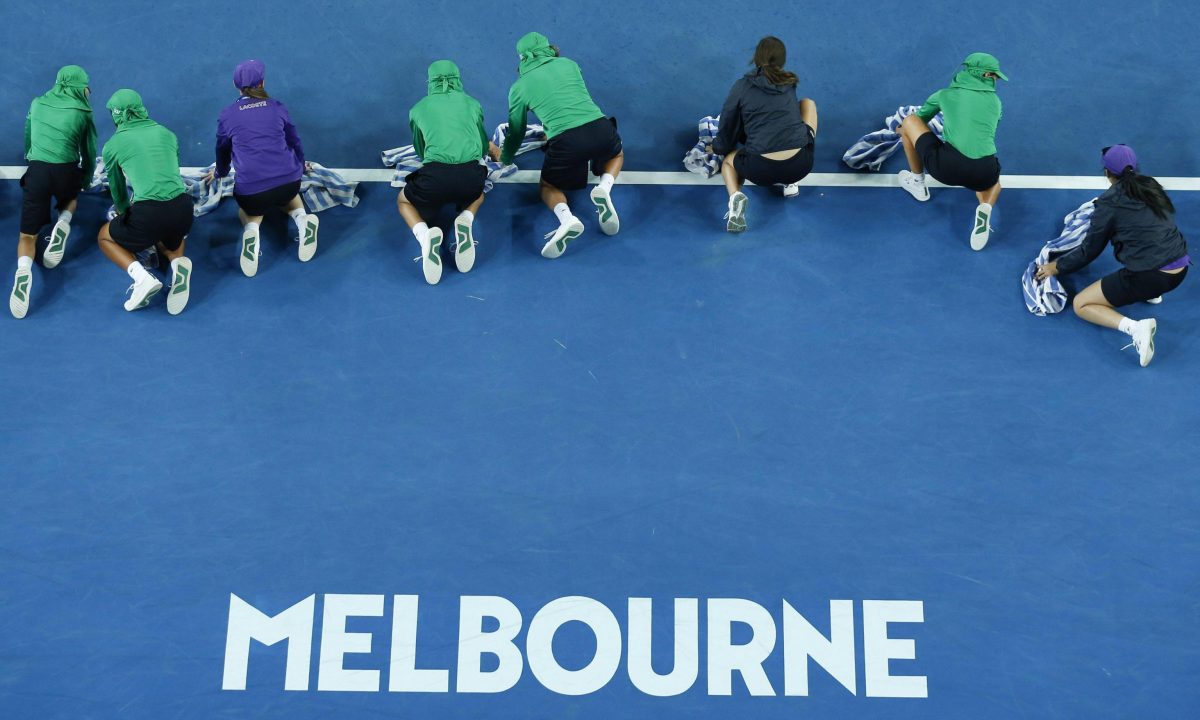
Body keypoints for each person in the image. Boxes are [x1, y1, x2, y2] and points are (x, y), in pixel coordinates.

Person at [1035, 145, 1189, 367]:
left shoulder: (1108, 204)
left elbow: (1089, 250)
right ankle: (1151, 293)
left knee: (1081, 304)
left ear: (1107, 173)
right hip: (1180, 268)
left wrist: (1054, 267)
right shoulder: (1150, 185)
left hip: (1151, 276)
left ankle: (1136, 329)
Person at [493, 31, 624, 259]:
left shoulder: (519, 88)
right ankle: (604, 188)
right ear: (549, 48)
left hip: (567, 144)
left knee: (548, 187)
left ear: (522, 58)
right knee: (617, 154)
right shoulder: (569, 65)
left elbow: (517, 132)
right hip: (600, 128)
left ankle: (567, 219)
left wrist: (505, 157)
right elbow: (566, 96)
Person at [213, 60, 318, 278]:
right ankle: (302, 219)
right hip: (290, 183)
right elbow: (295, 142)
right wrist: (300, 165)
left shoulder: (227, 115)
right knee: (287, 195)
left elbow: (222, 151)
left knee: (251, 211)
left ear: (235, 85)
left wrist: (219, 173)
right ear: (262, 82)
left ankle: (251, 231)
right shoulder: (278, 107)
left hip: (252, 195)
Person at [10, 65, 97, 319]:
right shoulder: (83, 111)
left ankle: (24, 271)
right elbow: (89, 151)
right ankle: (63, 223)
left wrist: (32, 160)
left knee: (27, 237)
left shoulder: (37, 103)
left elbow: (28, 135)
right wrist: (87, 177)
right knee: (69, 199)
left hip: (37, 173)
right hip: (66, 173)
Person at [97, 89, 194, 315]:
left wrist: (124, 214)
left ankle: (142, 278)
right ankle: (178, 263)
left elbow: (118, 190)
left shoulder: (113, 144)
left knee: (104, 236)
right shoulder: (167, 134)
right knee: (169, 235)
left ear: (117, 115)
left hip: (149, 215)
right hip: (183, 209)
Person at [897, 52, 1006, 251]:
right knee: (993, 182)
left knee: (909, 123)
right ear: (982, 75)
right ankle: (985, 207)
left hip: (947, 168)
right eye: (994, 75)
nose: (997, 79)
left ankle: (917, 183)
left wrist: (903, 130)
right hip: (985, 170)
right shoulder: (996, 102)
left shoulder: (944, 95)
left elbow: (920, 119)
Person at [709, 36, 818, 233]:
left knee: (728, 162)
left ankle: (735, 199)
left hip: (760, 170)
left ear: (756, 57)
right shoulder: (790, 83)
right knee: (808, 104)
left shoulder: (742, 86)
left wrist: (718, 148)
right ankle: (790, 183)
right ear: (782, 60)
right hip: (801, 164)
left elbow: (728, 123)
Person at [399, 60, 489, 285]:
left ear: (430, 82)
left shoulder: (418, 109)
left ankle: (425, 237)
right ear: (458, 79)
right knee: (478, 194)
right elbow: (482, 146)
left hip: (434, 180)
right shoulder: (473, 103)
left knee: (404, 202)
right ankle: (465, 221)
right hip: (470, 177)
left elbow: (421, 150)